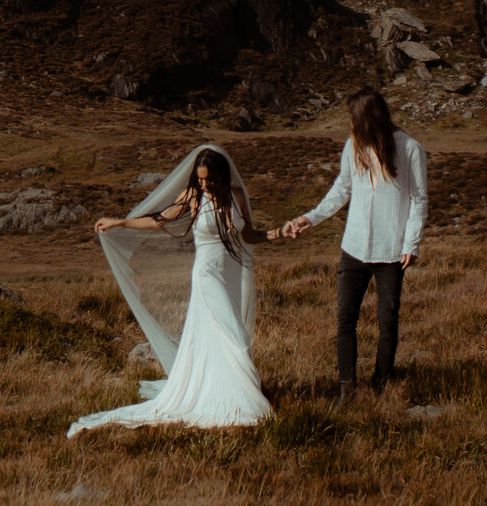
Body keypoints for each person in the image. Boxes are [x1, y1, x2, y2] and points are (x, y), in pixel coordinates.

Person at [69, 145, 273, 435]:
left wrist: (279, 233)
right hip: (206, 277)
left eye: (209, 180)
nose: (204, 185)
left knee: (221, 334)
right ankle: (239, 398)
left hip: (229, 274)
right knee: (234, 336)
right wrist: (121, 222)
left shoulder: (235, 196)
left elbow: (249, 234)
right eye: (200, 179)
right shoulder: (194, 197)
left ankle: (219, 386)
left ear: (221, 177)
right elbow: (160, 219)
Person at [276, 89, 427, 402]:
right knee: (345, 320)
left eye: (352, 118)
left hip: (391, 252)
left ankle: (382, 383)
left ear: (367, 119)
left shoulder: (410, 149)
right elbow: (341, 189)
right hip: (354, 248)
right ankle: (348, 387)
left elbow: (418, 200)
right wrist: (311, 218)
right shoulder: (352, 147)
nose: (349, 124)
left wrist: (411, 243)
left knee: (388, 320)